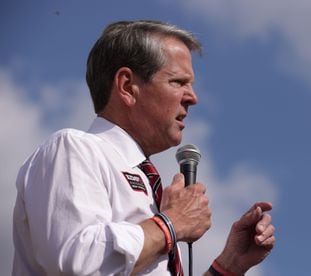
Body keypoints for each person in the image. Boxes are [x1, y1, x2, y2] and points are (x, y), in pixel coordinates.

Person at [12, 20, 276, 275]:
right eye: (177, 82)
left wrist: (228, 265)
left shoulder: (153, 195)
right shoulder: (74, 148)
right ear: (127, 86)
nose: (193, 98)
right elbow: (76, 265)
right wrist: (171, 224)